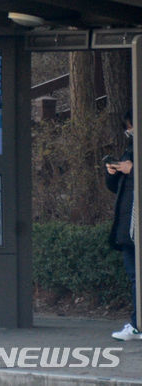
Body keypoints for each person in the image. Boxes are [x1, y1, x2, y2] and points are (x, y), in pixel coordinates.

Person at [108, 110, 141, 341]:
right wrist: (112, 172)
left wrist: (134, 171)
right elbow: (118, 188)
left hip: (134, 224)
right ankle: (136, 323)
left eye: (131, 127)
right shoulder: (130, 149)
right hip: (127, 225)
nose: (129, 132)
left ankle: (137, 323)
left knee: (136, 277)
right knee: (133, 276)